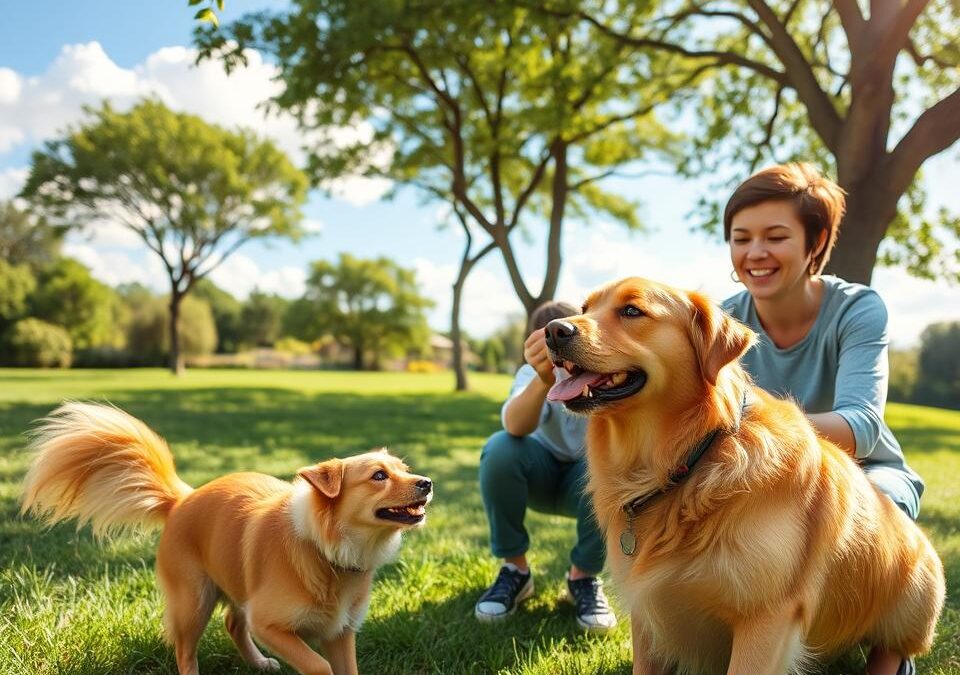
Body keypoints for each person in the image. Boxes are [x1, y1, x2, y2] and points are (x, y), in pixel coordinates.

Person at [721, 162, 923, 675]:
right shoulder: (723, 321)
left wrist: (754, 422)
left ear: (816, 242)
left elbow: (861, 427)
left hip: (864, 473)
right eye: (741, 238)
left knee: (887, 512)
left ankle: (889, 654)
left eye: (776, 236)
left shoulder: (858, 309)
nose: (755, 253)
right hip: (763, 476)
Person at [474, 301, 617, 632]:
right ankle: (516, 571)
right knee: (499, 448)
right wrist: (543, 378)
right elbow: (514, 427)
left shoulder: (605, 371)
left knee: (609, 464)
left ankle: (583, 577)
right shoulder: (528, 374)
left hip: (586, 486)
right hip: (538, 477)